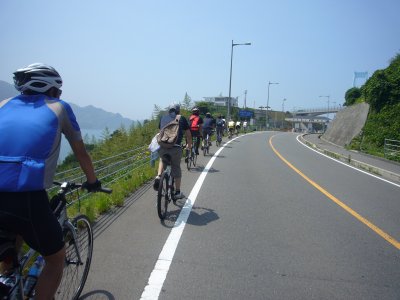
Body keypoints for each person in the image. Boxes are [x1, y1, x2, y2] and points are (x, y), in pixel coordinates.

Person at [0, 63, 101, 299]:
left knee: (11, 240)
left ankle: (8, 280)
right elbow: (81, 152)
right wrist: (92, 181)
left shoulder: (3, 105)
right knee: (55, 260)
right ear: (52, 89)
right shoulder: (59, 108)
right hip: (27, 197)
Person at [153, 104, 192, 200]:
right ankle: (177, 192)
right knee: (176, 167)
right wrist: (189, 145)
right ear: (178, 110)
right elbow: (188, 135)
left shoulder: (163, 117)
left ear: (168, 110)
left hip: (163, 146)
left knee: (162, 159)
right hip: (175, 148)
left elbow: (160, 132)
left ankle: (158, 176)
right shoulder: (181, 118)